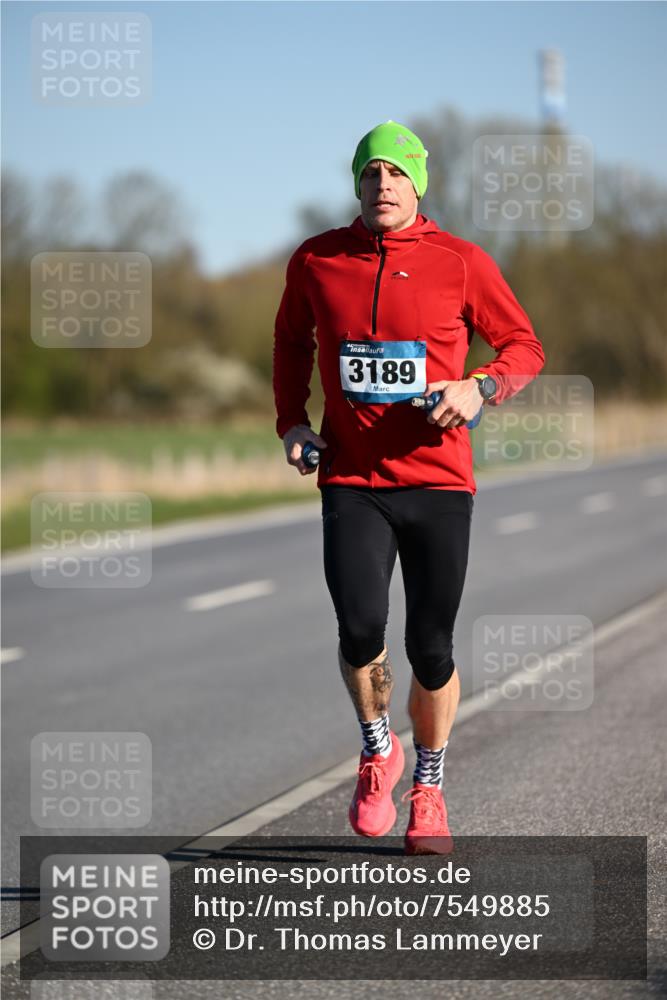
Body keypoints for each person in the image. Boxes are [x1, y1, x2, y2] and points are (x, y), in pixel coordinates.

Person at [272, 120, 544, 854]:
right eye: (370, 174)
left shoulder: (459, 262)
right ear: (355, 185)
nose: (382, 186)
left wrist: (480, 386)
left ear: (418, 183)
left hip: (437, 481)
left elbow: (524, 345)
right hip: (353, 478)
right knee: (359, 628)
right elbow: (291, 342)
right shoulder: (317, 260)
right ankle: (375, 748)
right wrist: (291, 422)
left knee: (429, 646)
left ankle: (428, 783)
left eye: (395, 173)